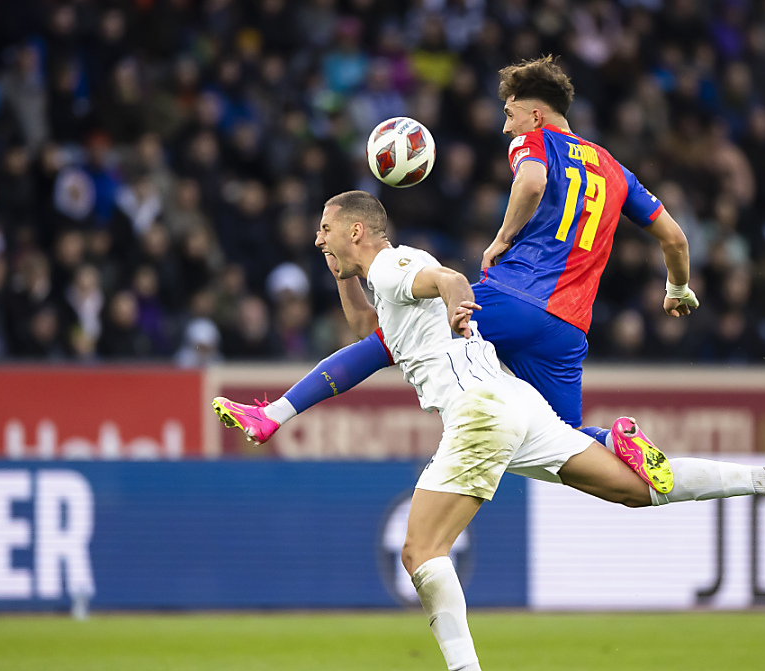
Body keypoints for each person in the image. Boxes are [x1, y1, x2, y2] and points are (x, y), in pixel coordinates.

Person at [217, 192, 765, 671]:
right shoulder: (378, 281)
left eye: (325, 227)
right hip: (518, 403)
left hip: (480, 410)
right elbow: (363, 334)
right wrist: (332, 293)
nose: (316, 236)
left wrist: (459, 306)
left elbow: (449, 278)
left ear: (357, 230)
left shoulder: (398, 263)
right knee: (632, 490)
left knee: (419, 551)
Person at [211, 55, 697, 487]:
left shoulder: (536, 141)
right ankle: (616, 439)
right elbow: (674, 238)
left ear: (534, 112)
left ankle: (272, 415)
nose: (505, 127)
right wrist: (677, 287)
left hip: (517, 297)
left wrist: (502, 239)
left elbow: (531, 181)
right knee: (564, 440)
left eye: (508, 114)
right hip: (569, 326)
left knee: (385, 343)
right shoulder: (616, 169)